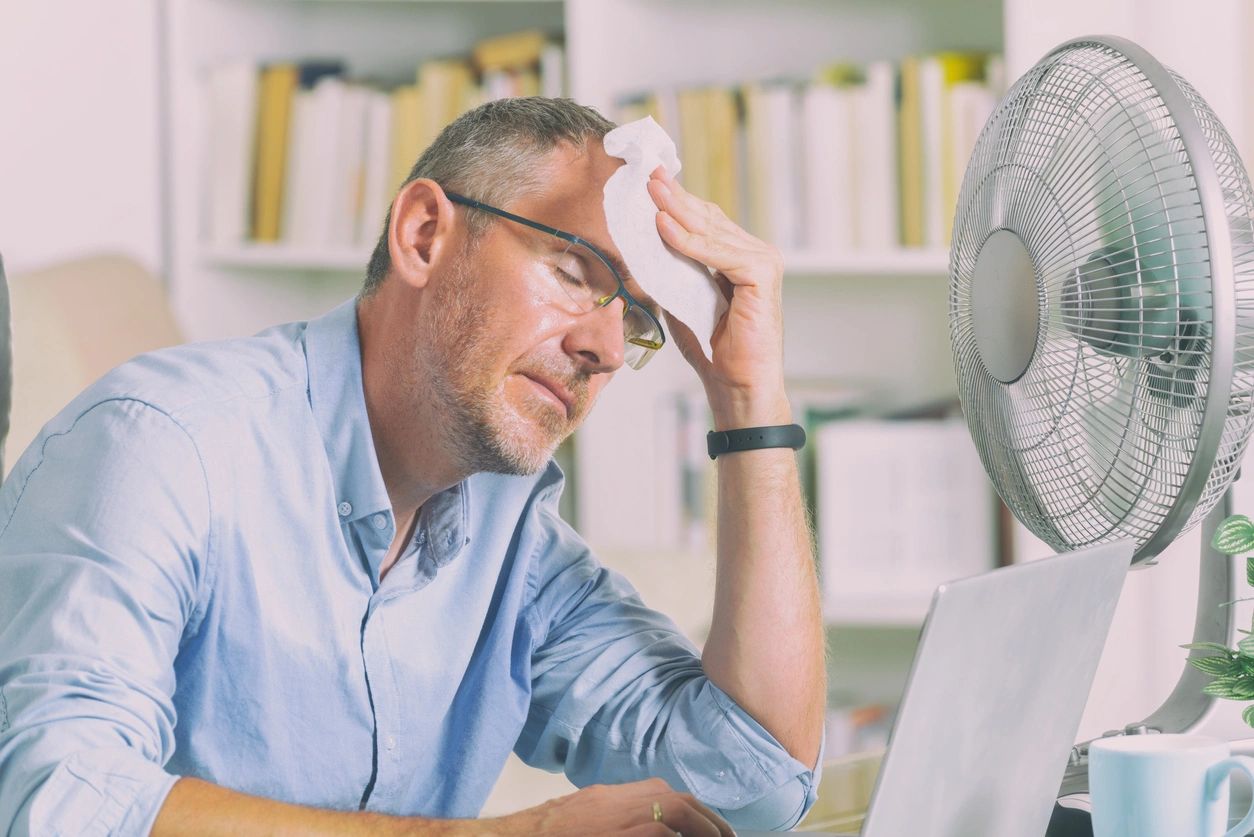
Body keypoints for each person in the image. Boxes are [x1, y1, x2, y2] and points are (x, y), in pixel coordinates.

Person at [0, 97, 824, 836]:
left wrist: (749, 397)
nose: (605, 348)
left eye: (637, 320)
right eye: (575, 274)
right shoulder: (159, 444)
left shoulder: (514, 540)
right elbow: (55, 802)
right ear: (424, 235)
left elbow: (753, 783)